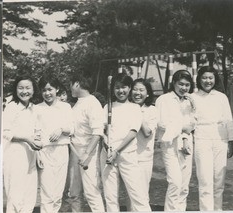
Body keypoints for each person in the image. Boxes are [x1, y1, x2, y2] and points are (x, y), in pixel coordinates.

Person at [101, 73, 151, 212]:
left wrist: (117, 150)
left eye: (123, 87)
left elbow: (133, 132)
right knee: (110, 197)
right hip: (108, 156)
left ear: (129, 88)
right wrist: (107, 146)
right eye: (117, 87)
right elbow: (102, 130)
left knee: (138, 195)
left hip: (127, 155)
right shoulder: (107, 107)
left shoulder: (135, 108)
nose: (120, 91)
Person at [191, 66, 233, 211]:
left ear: (215, 79)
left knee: (218, 180)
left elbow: (229, 119)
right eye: (204, 78)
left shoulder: (221, 97)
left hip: (220, 139)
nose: (207, 81)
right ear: (199, 79)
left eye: (210, 78)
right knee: (205, 181)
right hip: (202, 138)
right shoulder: (193, 97)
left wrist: (231, 141)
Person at [155, 70, 196, 211]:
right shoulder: (164, 99)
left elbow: (193, 122)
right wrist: (182, 127)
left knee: (184, 185)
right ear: (174, 83)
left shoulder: (189, 100)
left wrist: (186, 132)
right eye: (181, 84)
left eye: (187, 85)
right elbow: (161, 123)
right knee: (175, 182)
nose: (184, 88)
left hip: (186, 143)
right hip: (169, 143)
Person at [3, 75, 42, 212]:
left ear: (33, 90)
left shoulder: (34, 108)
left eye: (27, 88)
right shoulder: (11, 107)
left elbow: (37, 130)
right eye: (20, 88)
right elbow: (6, 132)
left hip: (31, 154)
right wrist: (26, 139)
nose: (24, 91)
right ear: (15, 90)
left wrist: (38, 143)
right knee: (15, 194)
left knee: (29, 193)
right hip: (15, 154)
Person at [37, 74, 74, 213]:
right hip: (44, 151)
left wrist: (61, 130)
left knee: (58, 193)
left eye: (50, 89)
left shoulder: (65, 107)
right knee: (47, 192)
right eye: (44, 90)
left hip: (62, 150)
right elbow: (36, 133)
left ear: (57, 89)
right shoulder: (37, 108)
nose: (47, 93)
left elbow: (72, 128)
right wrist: (38, 153)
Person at [69, 73, 105, 212]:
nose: (70, 88)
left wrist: (86, 154)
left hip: (88, 153)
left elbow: (97, 133)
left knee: (91, 193)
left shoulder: (92, 103)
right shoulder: (78, 103)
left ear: (77, 83)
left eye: (71, 84)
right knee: (74, 193)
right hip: (74, 152)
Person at [131, 78, 158, 205]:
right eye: (135, 89)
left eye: (141, 90)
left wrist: (136, 111)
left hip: (144, 158)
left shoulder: (152, 110)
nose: (137, 93)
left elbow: (147, 132)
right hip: (127, 157)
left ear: (147, 93)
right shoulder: (126, 109)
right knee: (129, 194)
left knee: (142, 195)